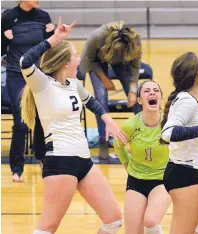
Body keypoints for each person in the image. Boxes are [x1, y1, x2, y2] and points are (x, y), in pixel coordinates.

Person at [20, 17, 127, 234]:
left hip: (84, 160)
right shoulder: (42, 85)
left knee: (113, 219)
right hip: (60, 161)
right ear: (65, 62)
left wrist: (109, 122)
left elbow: (92, 102)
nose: (80, 60)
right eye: (76, 56)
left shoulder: (73, 84)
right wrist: (55, 38)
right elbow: (25, 61)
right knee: (47, 228)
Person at [160, 52, 198, 234]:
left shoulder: (187, 100)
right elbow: (168, 133)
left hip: (190, 173)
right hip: (186, 175)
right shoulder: (187, 101)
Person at [80, 21, 151, 159]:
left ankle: (143, 138)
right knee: (100, 97)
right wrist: (104, 79)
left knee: (136, 96)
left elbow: (135, 68)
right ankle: (104, 141)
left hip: (122, 62)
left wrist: (131, 90)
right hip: (96, 62)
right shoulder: (97, 37)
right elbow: (86, 60)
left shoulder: (134, 40)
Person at [1, 0, 54, 181]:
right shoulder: (8, 17)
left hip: (38, 73)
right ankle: (17, 168)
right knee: (21, 121)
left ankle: (42, 158)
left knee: (41, 117)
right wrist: (3, 37)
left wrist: (52, 32)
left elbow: (49, 46)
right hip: (16, 74)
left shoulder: (43, 16)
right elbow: (1, 49)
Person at [114, 80, 171, 234]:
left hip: (162, 180)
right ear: (139, 100)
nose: (152, 93)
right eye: (146, 91)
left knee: (151, 221)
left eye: (155, 90)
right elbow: (117, 145)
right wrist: (127, 164)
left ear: (160, 97)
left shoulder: (169, 123)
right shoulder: (130, 125)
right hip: (136, 181)